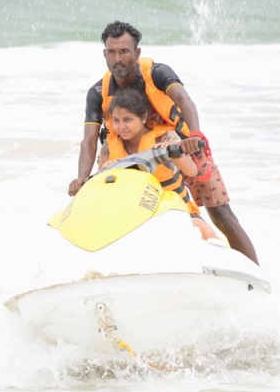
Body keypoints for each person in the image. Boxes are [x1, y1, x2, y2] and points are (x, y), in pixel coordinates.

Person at [68, 20, 259, 264]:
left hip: (181, 146)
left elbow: (184, 100)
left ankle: (255, 276)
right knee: (119, 213)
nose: (118, 58)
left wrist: (195, 137)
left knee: (221, 213)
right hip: (134, 156)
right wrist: (82, 179)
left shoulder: (158, 73)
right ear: (104, 54)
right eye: (111, 52)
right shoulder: (97, 93)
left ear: (137, 53)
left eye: (124, 51)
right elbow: (89, 141)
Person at [97, 86, 218, 241]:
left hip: (173, 207)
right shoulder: (109, 146)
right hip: (130, 213)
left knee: (205, 232)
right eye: (116, 121)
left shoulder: (165, 138)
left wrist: (173, 152)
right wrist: (110, 169)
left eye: (128, 119)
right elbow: (101, 185)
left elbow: (192, 171)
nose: (121, 127)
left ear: (143, 117)